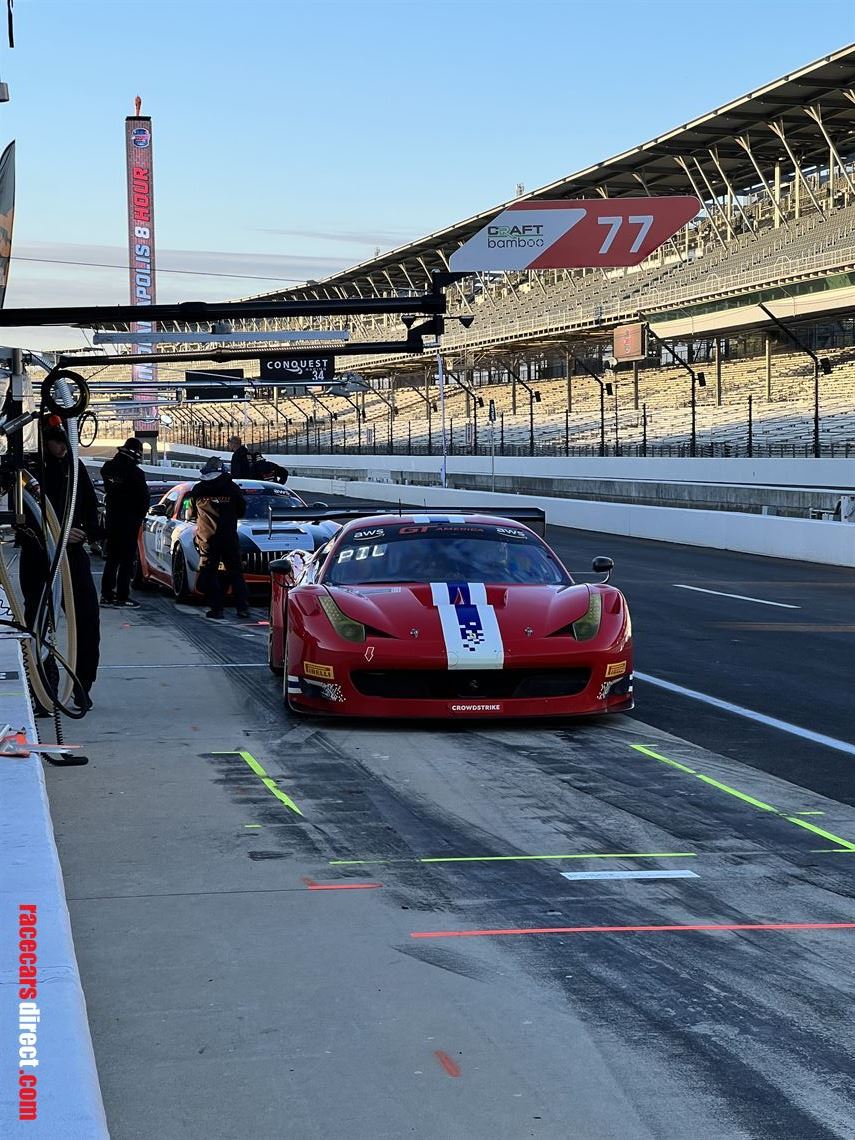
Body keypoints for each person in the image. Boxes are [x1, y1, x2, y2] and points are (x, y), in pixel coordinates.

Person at [18, 421, 101, 709]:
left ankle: (81, 685)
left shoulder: (73, 468)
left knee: (86, 620)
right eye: (58, 442)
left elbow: (90, 506)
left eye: (67, 442)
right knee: (39, 624)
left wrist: (84, 531)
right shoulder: (27, 471)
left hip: (72, 556)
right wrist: (57, 533)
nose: (63, 448)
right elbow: (21, 516)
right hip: (38, 555)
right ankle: (44, 691)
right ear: (44, 440)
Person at [186, 456, 250, 620]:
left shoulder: (198, 489)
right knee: (236, 573)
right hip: (229, 537)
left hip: (207, 538)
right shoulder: (232, 488)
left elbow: (190, 513)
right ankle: (242, 608)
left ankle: (217, 609)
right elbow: (241, 510)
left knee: (209, 573)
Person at [99, 437, 150, 609]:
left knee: (112, 558)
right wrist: (140, 516)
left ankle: (106, 594)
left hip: (112, 519)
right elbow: (143, 498)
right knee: (127, 559)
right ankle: (122, 596)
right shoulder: (136, 473)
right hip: (129, 521)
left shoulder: (108, 468)